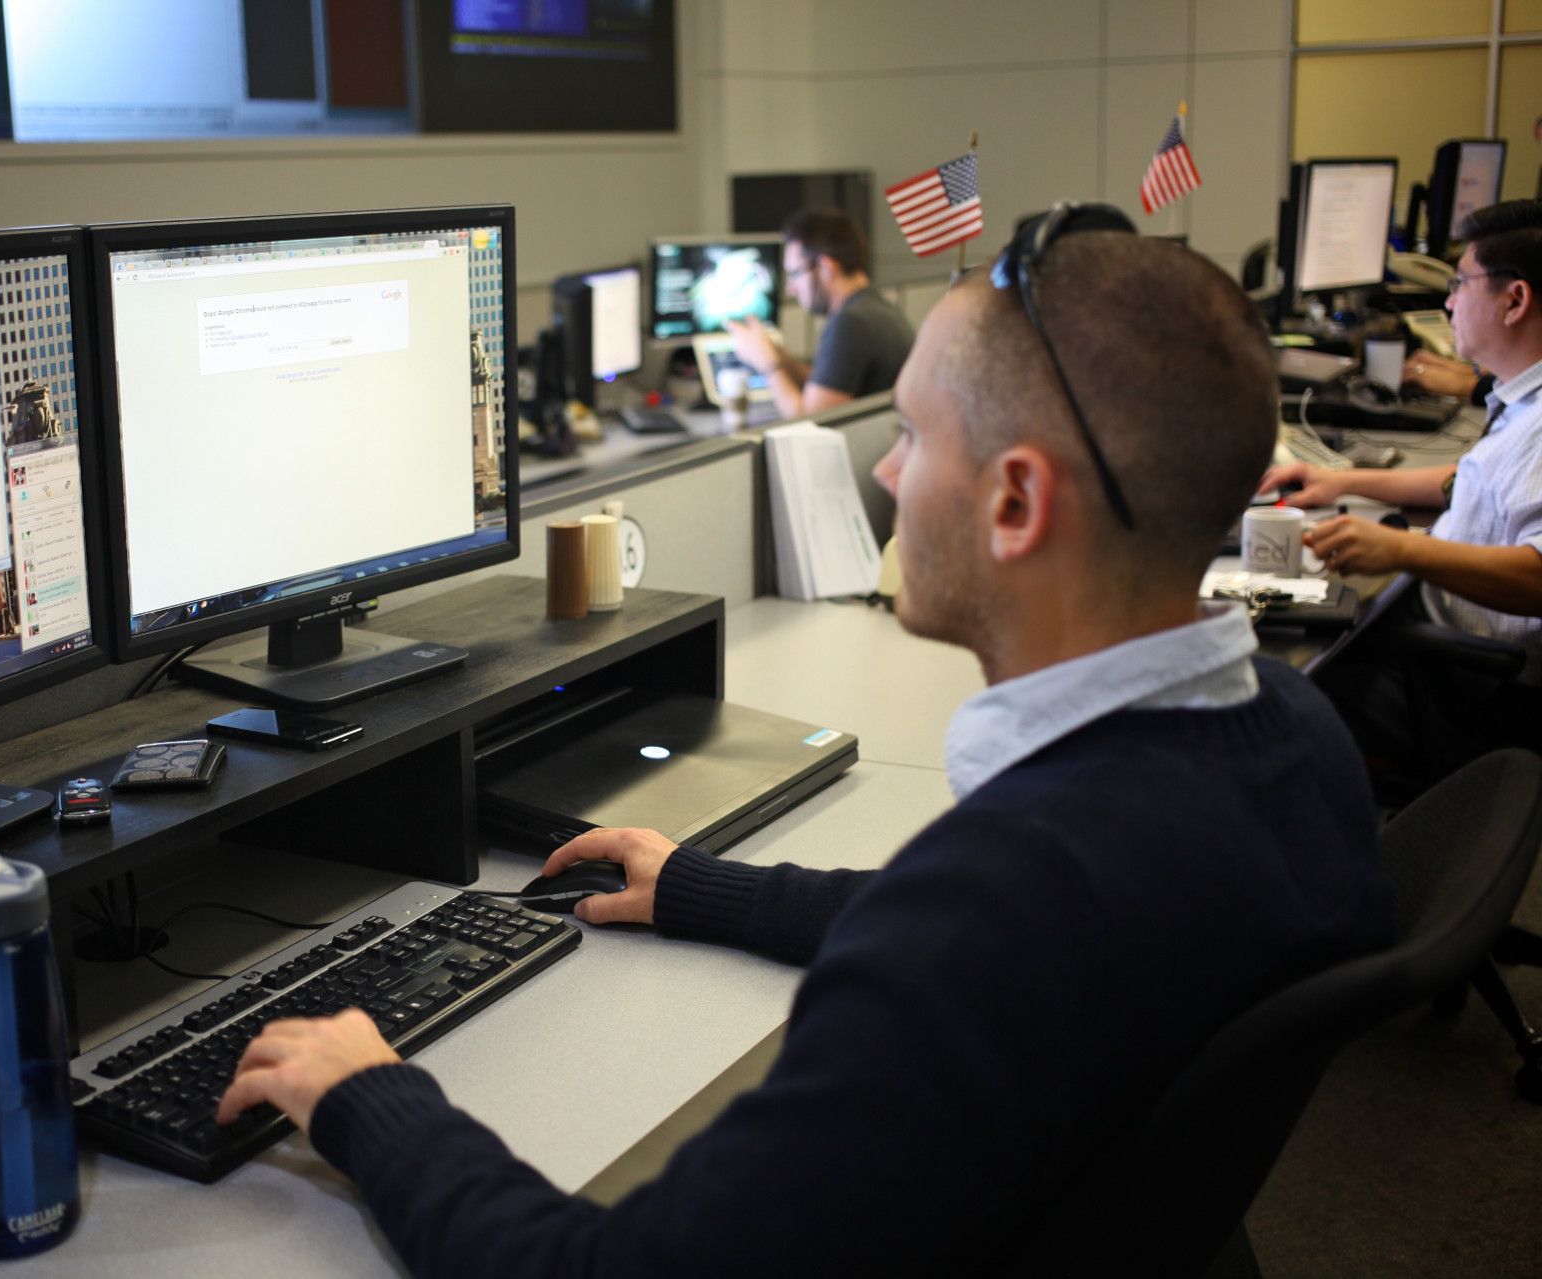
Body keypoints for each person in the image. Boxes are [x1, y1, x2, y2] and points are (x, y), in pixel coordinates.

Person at [215, 215, 1392, 1276]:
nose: (883, 469)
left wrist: (373, 1099)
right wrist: (703, 888)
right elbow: (961, 920)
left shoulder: (1006, 911)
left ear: (1017, 503)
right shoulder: (1289, 733)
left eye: (913, 435)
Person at [1260, 199, 1542, 670]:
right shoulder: (1523, 403)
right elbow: (1472, 480)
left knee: (1270, 668)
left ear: (1514, 301)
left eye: (1460, 284)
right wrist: (1344, 481)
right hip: (1435, 634)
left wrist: (1401, 549)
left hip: (1462, 675)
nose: (1449, 302)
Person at [725, 208, 912, 420]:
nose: (790, 289)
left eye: (795, 274)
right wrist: (779, 356)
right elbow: (829, 384)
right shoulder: (876, 310)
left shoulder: (851, 324)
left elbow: (810, 421)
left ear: (826, 267)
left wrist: (767, 363)